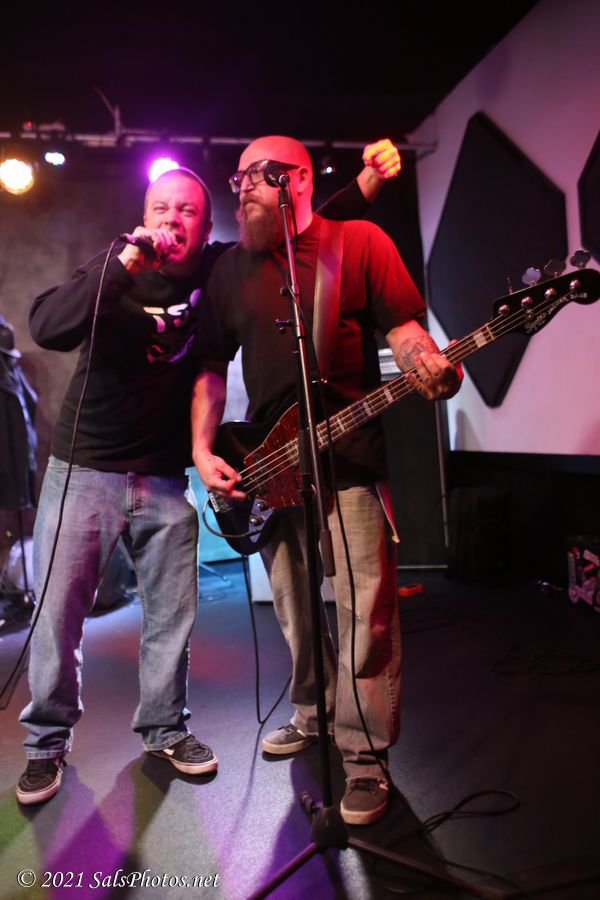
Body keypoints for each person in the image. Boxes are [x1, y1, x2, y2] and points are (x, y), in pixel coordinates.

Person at [16, 140, 403, 806]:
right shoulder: (114, 264)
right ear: (144, 215)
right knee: (59, 616)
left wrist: (367, 181)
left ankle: (165, 728)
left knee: (172, 618)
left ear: (205, 223)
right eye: (160, 208)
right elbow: (48, 326)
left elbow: (303, 223)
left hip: (166, 474)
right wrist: (124, 261)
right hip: (86, 469)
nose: (172, 218)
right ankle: (45, 745)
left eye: (187, 210)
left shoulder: (220, 267)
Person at [192, 135, 462, 826]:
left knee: (365, 613)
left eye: (256, 176)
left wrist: (425, 360)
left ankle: (365, 756)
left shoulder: (359, 242)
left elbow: (403, 328)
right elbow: (211, 371)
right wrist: (202, 449)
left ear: (299, 179)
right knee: (295, 608)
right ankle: (312, 711)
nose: (242, 189)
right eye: (238, 178)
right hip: (272, 466)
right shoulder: (229, 270)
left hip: (350, 462)